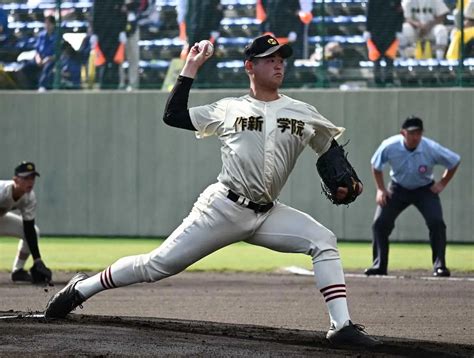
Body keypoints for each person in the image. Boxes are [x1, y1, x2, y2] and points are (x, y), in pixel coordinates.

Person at [44, 34, 380, 348]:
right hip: (222, 209)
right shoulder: (228, 109)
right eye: (269, 59)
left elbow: (328, 146)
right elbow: (172, 115)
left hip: (267, 213)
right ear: (250, 66)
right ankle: (82, 288)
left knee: (323, 240)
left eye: (281, 58)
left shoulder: (300, 111)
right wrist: (191, 66)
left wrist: (346, 179)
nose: (278, 63)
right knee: (156, 266)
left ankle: (341, 326)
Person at [365, 116, 461, 277]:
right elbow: (376, 166)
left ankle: (440, 266)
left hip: (424, 190)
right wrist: (381, 189)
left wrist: (442, 183)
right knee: (380, 224)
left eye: (418, 133)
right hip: (397, 188)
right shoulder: (390, 146)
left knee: (436, 222)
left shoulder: (430, 147)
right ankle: (379, 265)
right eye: (411, 133)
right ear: (403, 133)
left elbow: (454, 161)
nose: (415, 137)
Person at [0, 162, 52, 283]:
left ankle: (17, 271)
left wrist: (37, 260)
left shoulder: (29, 197)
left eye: (32, 178)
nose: (30, 182)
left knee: (34, 231)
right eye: (26, 178)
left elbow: (28, 229)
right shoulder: (2, 191)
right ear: (15, 180)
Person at [365, 0, 404, 86]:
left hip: (391, 31)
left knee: (389, 57)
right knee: (376, 57)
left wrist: (399, 30)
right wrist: (368, 29)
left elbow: (400, 14)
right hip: (376, 31)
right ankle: (377, 79)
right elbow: (369, 13)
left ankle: (389, 79)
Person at [91, 0, 127, 89]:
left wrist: (122, 30)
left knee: (115, 61)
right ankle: (103, 84)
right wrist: (95, 33)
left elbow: (123, 14)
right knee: (103, 62)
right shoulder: (98, 2)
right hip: (102, 35)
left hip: (115, 35)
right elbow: (95, 15)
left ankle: (115, 84)